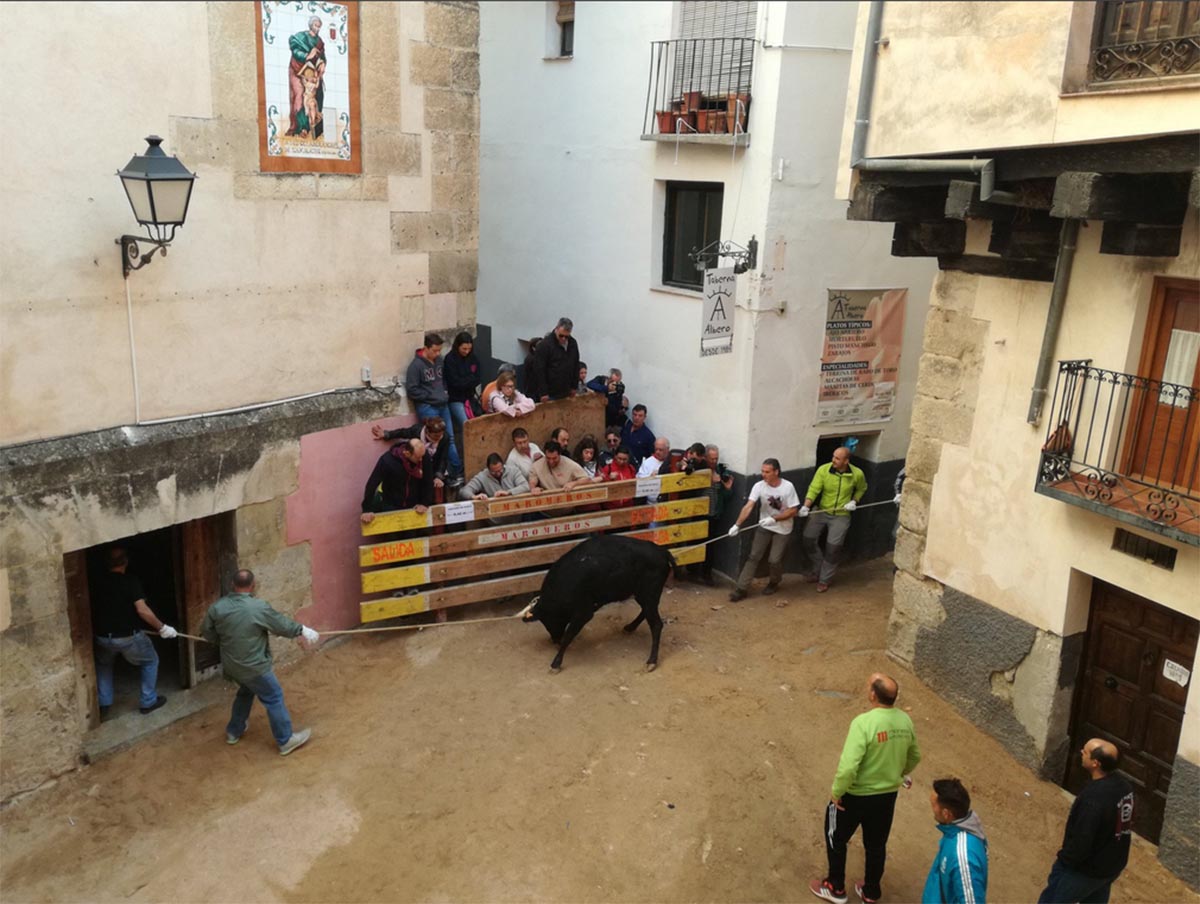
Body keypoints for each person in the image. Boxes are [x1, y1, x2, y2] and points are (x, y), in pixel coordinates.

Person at [810, 673, 921, 904]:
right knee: (876, 844)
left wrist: (837, 792)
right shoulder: (904, 721)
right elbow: (914, 756)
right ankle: (871, 892)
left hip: (855, 796)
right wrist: (898, 774)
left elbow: (849, 766)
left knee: (835, 837)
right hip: (886, 797)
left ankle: (835, 887)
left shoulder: (863, 723)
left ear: (873, 695)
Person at [200, 568, 318, 756]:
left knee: (246, 691)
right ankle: (285, 740)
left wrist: (225, 641)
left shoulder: (217, 607)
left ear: (232, 585)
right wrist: (302, 630)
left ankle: (234, 731)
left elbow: (207, 632)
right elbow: (280, 625)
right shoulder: (258, 607)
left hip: (232, 665)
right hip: (253, 666)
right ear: (253, 586)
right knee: (274, 696)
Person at [1036, 739, 1134, 904]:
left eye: (1086, 752)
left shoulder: (1093, 799)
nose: (1081, 752)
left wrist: (1064, 861)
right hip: (1110, 867)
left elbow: (1082, 839)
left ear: (1095, 763)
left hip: (1084, 871)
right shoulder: (1125, 787)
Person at [92, 547, 176, 718]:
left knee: (104, 665)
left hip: (102, 637)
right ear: (125, 562)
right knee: (151, 660)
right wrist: (162, 628)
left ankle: (104, 703)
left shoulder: (97, 582)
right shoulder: (130, 581)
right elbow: (143, 611)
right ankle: (148, 700)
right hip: (127, 637)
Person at [727, 458, 801, 601]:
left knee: (774, 559)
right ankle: (741, 588)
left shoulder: (788, 487)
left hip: (782, 527)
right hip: (764, 525)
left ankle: (774, 581)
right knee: (754, 556)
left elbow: (793, 511)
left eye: (767, 472)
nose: (763, 475)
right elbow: (749, 506)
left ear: (776, 472)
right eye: (762, 471)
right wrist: (737, 525)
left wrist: (775, 518)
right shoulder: (759, 486)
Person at [801, 446, 868, 593]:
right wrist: (806, 506)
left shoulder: (857, 474)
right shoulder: (823, 470)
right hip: (822, 510)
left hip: (841, 514)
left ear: (846, 461)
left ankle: (824, 579)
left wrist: (854, 501)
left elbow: (862, 488)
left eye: (837, 458)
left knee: (833, 549)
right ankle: (817, 568)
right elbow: (814, 489)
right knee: (808, 539)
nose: (833, 460)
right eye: (833, 456)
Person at [405, 332, 462, 478]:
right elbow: (412, 390)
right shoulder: (416, 366)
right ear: (426, 348)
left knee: (449, 439)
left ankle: (456, 471)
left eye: (439, 351)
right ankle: (440, 473)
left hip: (443, 404)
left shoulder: (439, 361)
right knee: (435, 440)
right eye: (435, 351)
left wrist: (444, 392)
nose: (437, 354)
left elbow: (443, 379)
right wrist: (430, 396)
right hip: (428, 407)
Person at [923, 778, 988, 904]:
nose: (932, 810)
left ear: (946, 814)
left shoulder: (963, 857)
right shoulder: (954, 832)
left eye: (933, 805)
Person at [689, 443, 734, 585]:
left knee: (710, 546)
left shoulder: (720, 472)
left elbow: (727, 496)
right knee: (696, 542)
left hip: (713, 514)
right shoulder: (700, 469)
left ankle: (706, 574)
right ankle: (692, 571)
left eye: (716, 459)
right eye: (711, 459)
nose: (714, 462)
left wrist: (727, 488)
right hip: (699, 513)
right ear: (705, 458)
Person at [360, 436, 433, 524]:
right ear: (407, 453)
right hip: (391, 505)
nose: (421, 460)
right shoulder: (387, 461)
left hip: (414, 506)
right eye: (418, 457)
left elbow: (428, 480)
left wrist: (425, 502)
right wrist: (367, 509)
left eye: (423, 456)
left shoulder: (423, 456)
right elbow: (372, 483)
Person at [371, 416, 453, 489]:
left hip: (433, 467)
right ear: (427, 432)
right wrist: (387, 434)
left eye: (441, 435)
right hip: (416, 468)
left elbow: (443, 458)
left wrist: (438, 476)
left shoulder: (445, 438)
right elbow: (403, 432)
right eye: (436, 436)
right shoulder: (416, 431)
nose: (439, 438)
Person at [460, 452, 529, 524]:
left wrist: (509, 492)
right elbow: (464, 491)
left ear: (503, 465)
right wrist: (474, 497)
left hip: (516, 517)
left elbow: (525, 486)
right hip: (495, 521)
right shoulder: (482, 477)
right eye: (494, 472)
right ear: (488, 469)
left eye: (500, 470)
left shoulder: (513, 471)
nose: (498, 474)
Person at [286, 16, 326, 139]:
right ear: (310, 25)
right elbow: (294, 49)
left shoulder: (319, 41)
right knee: (299, 95)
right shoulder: (300, 37)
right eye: (315, 25)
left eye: (319, 26)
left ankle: (312, 128)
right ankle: (300, 127)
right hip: (298, 70)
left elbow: (322, 56)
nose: (317, 28)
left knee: (318, 95)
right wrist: (307, 55)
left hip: (312, 73)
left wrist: (322, 63)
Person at [530, 317, 581, 401]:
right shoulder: (544, 345)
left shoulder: (573, 343)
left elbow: (576, 364)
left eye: (566, 336)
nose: (563, 339)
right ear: (556, 329)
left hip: (567, 390)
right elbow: (539, 370)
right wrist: (543, 392)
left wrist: (574, 386)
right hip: (551, 392)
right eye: (561, 336)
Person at [444, 331, 481, 440]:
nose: (466, 351)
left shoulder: (473, 358)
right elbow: (454, 382)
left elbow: (478, 378)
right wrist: (470, 380)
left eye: (469, 349)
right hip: (456, 399)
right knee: (467, 425)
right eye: (464, 349)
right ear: (458, 346)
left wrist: (465, 381)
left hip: (470, 397)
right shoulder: (450, 359)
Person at [636, 437, 672, 503]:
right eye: (656, 449)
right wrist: (650, 477)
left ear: (667, 450)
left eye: (661, 450)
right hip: (651, 502)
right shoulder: (647, 462)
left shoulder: (672, 462)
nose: (657, 452)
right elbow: (639, 480)